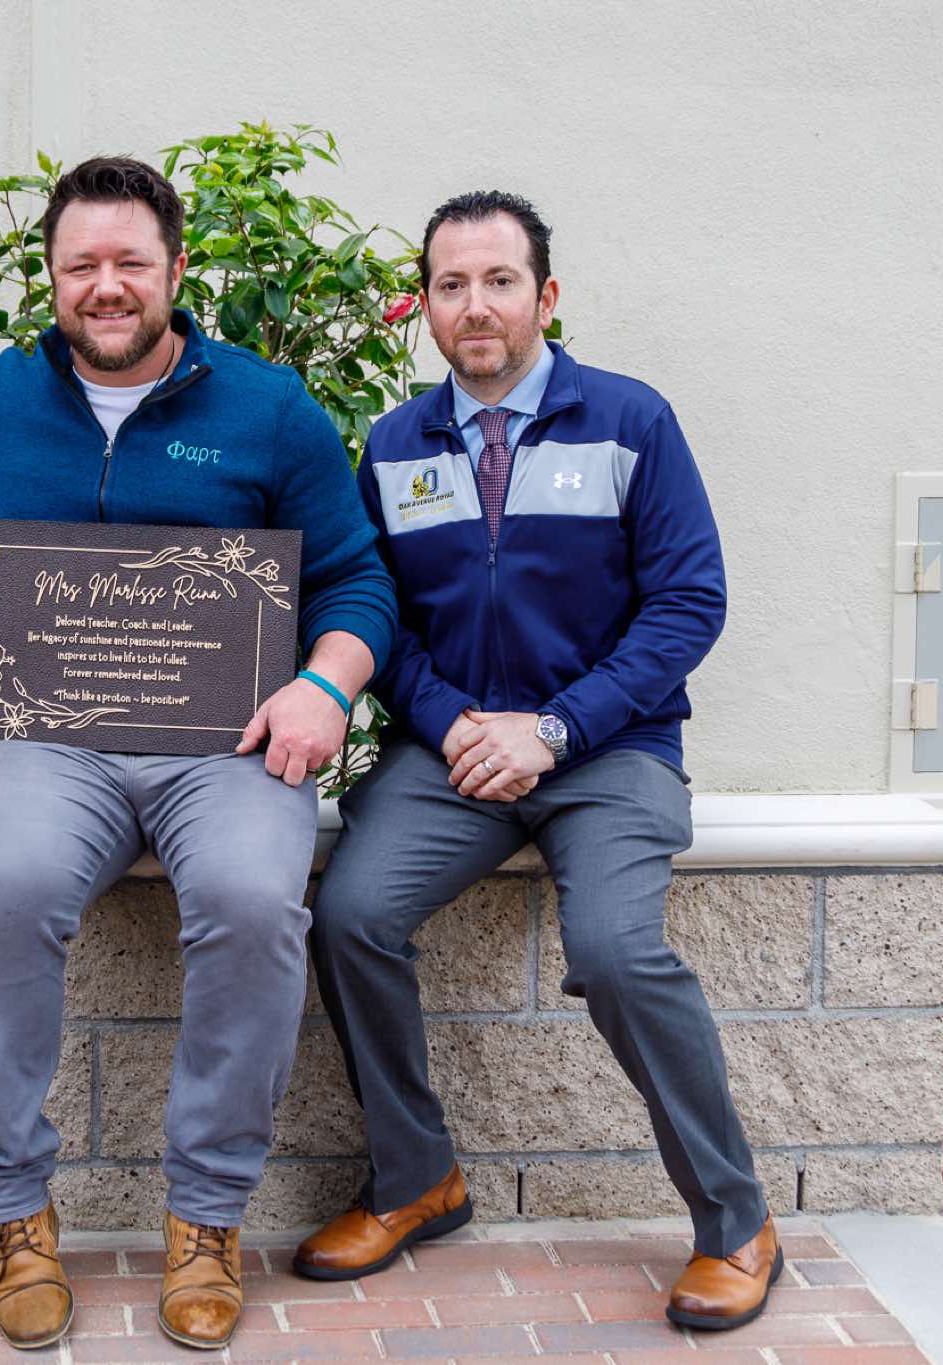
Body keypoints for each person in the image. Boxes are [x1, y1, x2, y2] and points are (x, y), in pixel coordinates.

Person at [0, 157, 396, 1351]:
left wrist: (324, 687)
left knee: (253, 900)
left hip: (224, 741)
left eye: (128, 263)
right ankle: (9, 1211)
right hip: (47, 740)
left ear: (173, 270)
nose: (104, 286)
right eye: (80, 266)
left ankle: (206, 1217)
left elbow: (356, 579)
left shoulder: (266, 408)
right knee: (3, 890)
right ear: (49, 277)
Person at [293, 190, 777, 1331]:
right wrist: (452, 719)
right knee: (349, 915)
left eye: (499, 281)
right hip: (451, 753)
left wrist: (553, 729)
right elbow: (372, 610)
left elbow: (688, 602)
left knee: (614, 952)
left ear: (544, 297)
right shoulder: (394, 444)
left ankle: (735, 1220)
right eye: (450, 284)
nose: (475, 306)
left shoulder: (629, 421)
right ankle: (417, 1178)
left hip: (608, 750)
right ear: (425, 305)